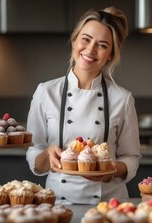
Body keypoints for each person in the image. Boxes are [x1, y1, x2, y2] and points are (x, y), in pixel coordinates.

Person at [26, 7, 141, 205]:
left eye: (102, 45)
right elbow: (34, 150)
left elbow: (131, 157)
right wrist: (47, 154)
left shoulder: (122, 99)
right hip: (56, 204)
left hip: (107, 206)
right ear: (74, 40)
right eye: (86, 39)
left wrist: (110, 169)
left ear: (111, 55)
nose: (90, 50)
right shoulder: (45, 92)